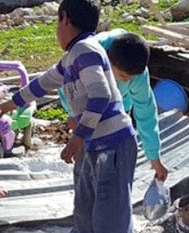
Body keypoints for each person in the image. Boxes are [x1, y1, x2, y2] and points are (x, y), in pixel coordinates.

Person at [0, 0, 146, 233]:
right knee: (86, 211)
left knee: (111, 219)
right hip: (95, 146)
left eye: (56, 22)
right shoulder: (73, 57)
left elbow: (102, 96)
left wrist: (78, 137)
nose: (56, 29)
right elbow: (45, 82)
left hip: (112, 145)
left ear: (64, 19)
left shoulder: (87, 51)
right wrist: (13, 102)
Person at [57, 29, 168, 183]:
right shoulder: (84, 58)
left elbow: (146, 113)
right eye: (123, 76)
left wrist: (154, 158)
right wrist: (72, 114)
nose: (127, 80)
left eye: (131, 78)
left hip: (121, 100)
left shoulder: (136, 73)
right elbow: (65, 86)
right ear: (108, 61)